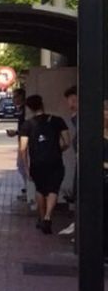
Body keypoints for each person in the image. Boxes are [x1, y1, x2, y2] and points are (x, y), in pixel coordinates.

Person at [19, 94, 70, 234]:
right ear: (42, 104)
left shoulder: (27, 125)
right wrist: (58, 149)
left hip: (37, 163)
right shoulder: (57, 120)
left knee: (40, 190)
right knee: (53, 189)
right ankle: (48, 217)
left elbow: (23, 149)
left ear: (29, 108)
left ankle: (42, 219)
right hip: (55, 161)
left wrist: (26, 167)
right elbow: (67, 142)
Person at [63, 86, 81, 236]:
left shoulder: (82, 118)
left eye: (74, 101)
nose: (71, 105)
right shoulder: (76, 118)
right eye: (69, 101)